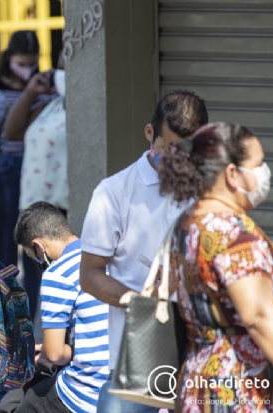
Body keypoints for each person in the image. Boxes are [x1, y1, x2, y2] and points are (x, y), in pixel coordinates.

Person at [79, 90, 209, 413]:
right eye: (170, 150)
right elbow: (90, 275)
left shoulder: (210, 193)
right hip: (139, 350)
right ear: (150, 134)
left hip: (203, 347)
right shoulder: (113, 193)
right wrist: (143, 305)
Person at [159, 122, 273, 411]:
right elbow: (259, 318)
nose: (265, 172)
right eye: (258, 163)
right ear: (231, 174)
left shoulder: (187, 224)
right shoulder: (234, 236)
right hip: (240, 391)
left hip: (198, 383)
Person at [10, 202, 109, 413]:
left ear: (39, 246)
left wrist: (43, 355)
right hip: (123, 377)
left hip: (89, 392)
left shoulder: (57, 274)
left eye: (33, 258)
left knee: (26, 403)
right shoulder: (106, 254)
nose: (39, 263)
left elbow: (53, 356)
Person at [3, 55, 68, 319]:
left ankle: (58, 343)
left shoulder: (86, 107)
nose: (63, 73)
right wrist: (31, 91)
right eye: (60, 67)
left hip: (64, 206)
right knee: (34, 277)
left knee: (60, 279)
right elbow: (12, 131)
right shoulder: (49, 106)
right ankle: (33, 346)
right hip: (33, 206)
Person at [0, 30, 44, 270]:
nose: (27, 69)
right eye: (21, 64)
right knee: (7, 229)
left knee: (31, 231)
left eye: (32, 63)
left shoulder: (41, 84)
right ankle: (6, 284)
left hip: (33, 164)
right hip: (6, 163)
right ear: (9, 57)